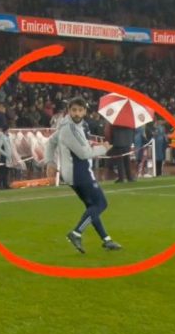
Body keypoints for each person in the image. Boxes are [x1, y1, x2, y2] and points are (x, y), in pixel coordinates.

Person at [45, 97, 121, 253]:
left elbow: (51, 142)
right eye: (74, 110)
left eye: (80, 110)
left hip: (76, 173)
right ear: (68, 110)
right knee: (101, 204)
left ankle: (106, 240)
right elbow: (84, 153)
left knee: (91, 208)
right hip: (79, 173)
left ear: (85, 111)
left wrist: (50, 162)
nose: (77, 113)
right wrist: (104, 148)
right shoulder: (69, 128)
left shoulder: (76, 125)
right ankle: (76, 233)